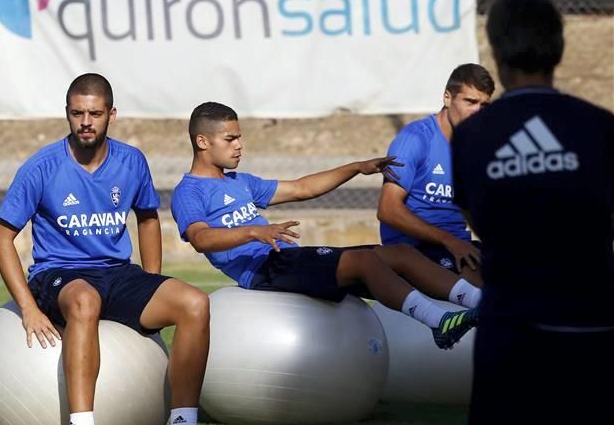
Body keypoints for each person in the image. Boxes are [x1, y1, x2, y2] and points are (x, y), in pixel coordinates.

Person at [0, 73, 229, 425]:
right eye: (77, 113)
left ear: (111, 115)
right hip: (60, 274)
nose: (86, 122)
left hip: (118, 273)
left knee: (196, 304)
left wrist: (151, 282)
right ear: (67, 114)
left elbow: (148, 219)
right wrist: (29, 308)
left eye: (95, 113)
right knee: (85, 301)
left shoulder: (131, 161)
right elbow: (0, 239)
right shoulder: (41, 167)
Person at [452, 0, 614, 425]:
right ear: (560, 48)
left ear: (496, 51)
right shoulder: (599, 126)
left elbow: (476, 213)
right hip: (592, 321)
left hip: (512, 326)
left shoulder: (472, 136)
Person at [171, 102, 484, 350]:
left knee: (400, 253)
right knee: (364, 261)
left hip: (287, 258)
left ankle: (483, 304)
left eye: (239, 137)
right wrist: (253, 231)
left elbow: (302, 188)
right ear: (202, 141)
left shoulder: (240, 182)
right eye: (230, 139)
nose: (239, 145)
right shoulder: (189, 192)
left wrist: (357, 168)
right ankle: (441, 322)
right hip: (266, 270)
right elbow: (201, 238)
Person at [377, 63, 494, 283]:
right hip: (416, 251)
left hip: (459, 247)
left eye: (484, 105)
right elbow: (388, 210)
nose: (477, 111)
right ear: (447, 98)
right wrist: (450, 241)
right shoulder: (414, 139)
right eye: (470, 102)